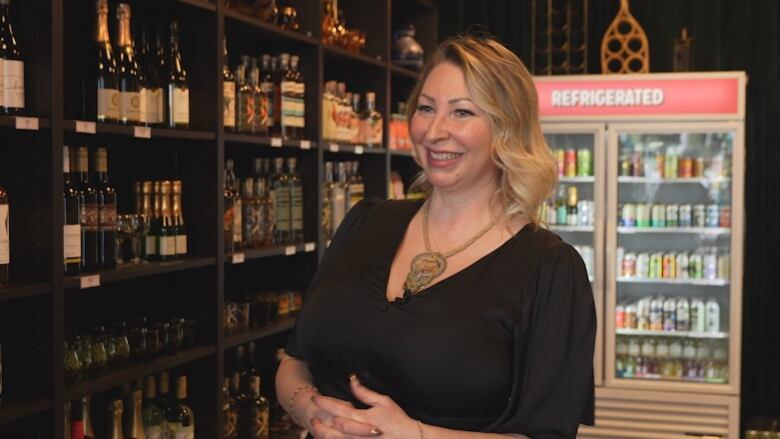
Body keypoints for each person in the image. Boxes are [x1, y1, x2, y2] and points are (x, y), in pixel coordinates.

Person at [276, 33, 596, 439]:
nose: (434, 131)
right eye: (426, 108)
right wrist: (308, 410)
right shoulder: (365, 222)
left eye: (462, 113)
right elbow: (294, 361)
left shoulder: (548, 269)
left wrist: (414, 435)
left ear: (506, 130)